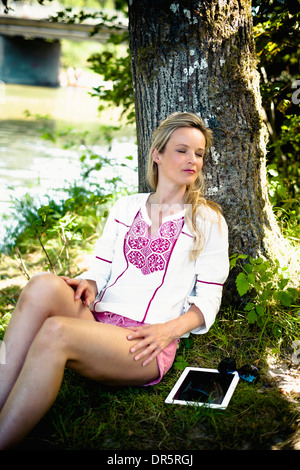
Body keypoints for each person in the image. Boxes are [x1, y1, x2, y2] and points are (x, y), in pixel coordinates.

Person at [0, 112, 229, 449]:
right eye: (182, 150)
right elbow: (101, 267)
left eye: (199, 153)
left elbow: (209, 298)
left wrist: (169, 330)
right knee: (41, 285)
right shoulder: (127, 206)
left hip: (143, 342)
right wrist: (90, 283)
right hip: (98, 321)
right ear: (157, 154)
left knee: (57, 330)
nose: (192, 160)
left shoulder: (207, 219)